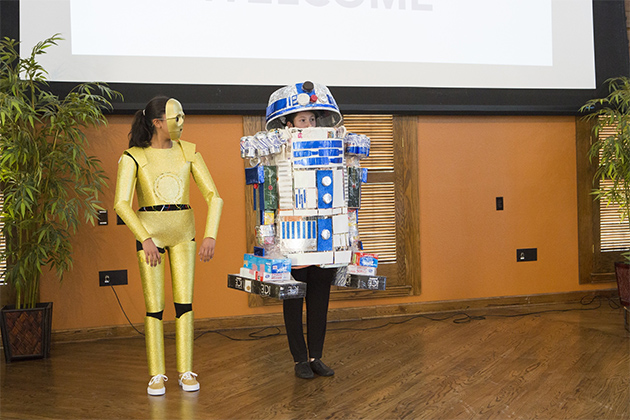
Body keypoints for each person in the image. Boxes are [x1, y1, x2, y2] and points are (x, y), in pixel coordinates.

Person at [114, 96, 223, 395]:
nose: (182, 123)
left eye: (183, 117)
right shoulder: (133, 156)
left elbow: (214, 196)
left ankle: (185, 369)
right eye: (176, 118)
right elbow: (121, 204)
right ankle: (156, 374)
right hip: (149, 234)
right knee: (155, 308)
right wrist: (144, 238)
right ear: (157, 122)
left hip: (184, 233)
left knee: (185, 305)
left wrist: (210, 234)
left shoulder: (189, 152)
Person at [281, 109, 337, 379]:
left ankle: (316, 356)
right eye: (303, 120)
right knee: (293, 302)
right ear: (290, 124)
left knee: (320, 301)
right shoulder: (279, 151)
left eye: (313, 119)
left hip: (324, 238)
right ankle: (299, 359)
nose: (310, 124)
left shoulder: (330, 151)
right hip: (294, 240)